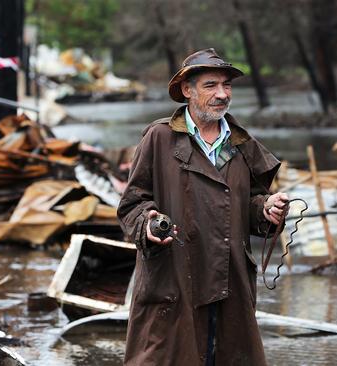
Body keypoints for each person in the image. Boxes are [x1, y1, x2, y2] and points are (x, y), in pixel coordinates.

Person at [117, 48, 289, 366]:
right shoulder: (160, 138)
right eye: (211, 85)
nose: (222, 94)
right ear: (187, 90)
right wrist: (147, 223)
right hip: (174, 277)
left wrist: (266, 208)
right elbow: (132, 204)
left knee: (227, 354)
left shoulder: (239, 144)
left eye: (227, 85)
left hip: (229, 278)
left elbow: (246, 202)